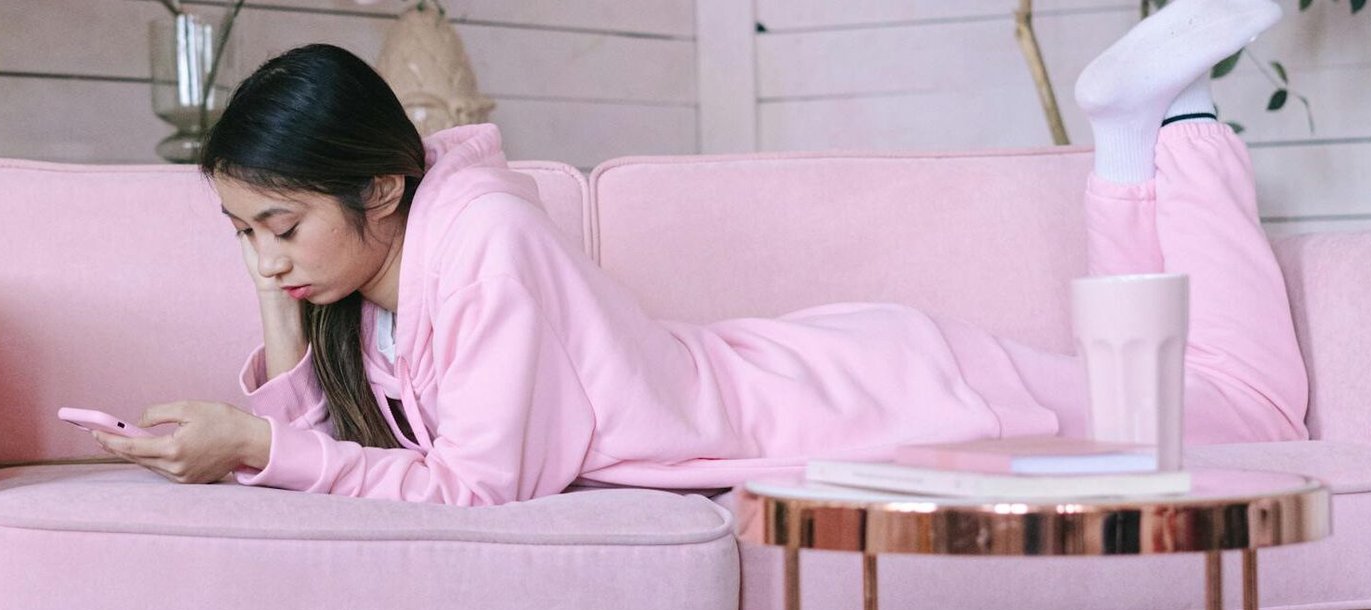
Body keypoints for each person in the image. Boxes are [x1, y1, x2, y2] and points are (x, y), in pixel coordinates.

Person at [91, 0, 1308, 506]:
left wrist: (258, 443)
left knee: (1245, 414)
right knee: (1160, 399)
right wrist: (282, 318)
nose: (264, 259)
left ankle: (1157, 131)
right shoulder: (392, 270)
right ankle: (1138, 133)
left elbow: (477, 486)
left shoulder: (488, 245)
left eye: (280, 227)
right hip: (834, 377)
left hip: (873, 396)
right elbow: (363, 434)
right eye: (241, 232)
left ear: (382, 187)